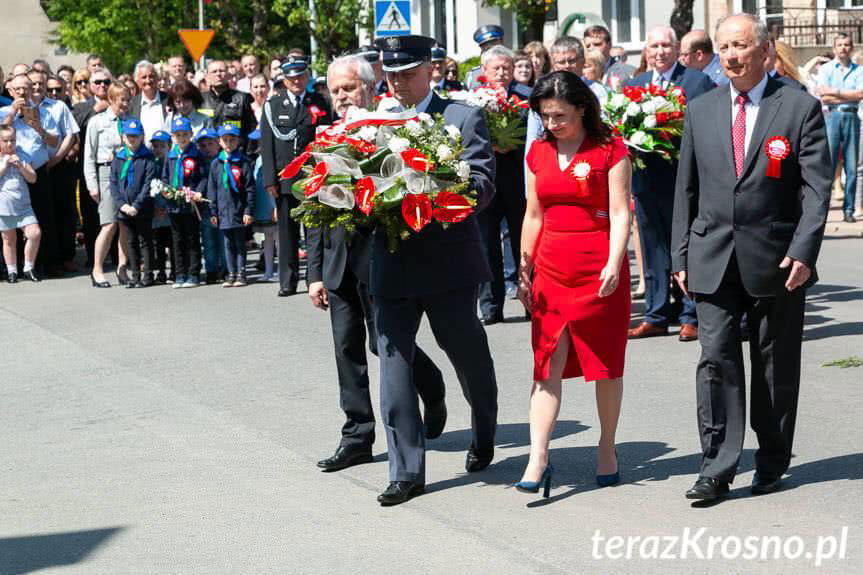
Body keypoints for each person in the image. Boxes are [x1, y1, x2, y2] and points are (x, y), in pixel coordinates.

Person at [672, 13, 831, 501]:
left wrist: (804, 251)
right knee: (715, 359)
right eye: (724, 48)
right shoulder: (701, 109)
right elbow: (686, 188)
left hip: (777, 259)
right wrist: (680, 254)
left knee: (773, 364)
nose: (731, 56)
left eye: (740, 46)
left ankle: (772, 459)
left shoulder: (798, 107)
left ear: (764, 51)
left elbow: (817, 189)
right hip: (712, 254)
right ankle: (716, 468)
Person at [371, 34, 498, 506]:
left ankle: (484, 428)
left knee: (468, 356)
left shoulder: (462, 116)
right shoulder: (372, 123)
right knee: (394, 367)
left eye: (408, 73)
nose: (398, 82)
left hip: (448, 262)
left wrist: (437, 190)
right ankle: (405, 470)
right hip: (392, 262)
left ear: (432, 70)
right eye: (391, 74)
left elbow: (482, 182)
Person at [306, 54, 447, 473]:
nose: (342, 96)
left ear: (370, 86)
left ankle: (431, 386)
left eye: (349, 87)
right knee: (346, 349)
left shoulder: (391, 129)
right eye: (335, 90)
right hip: (338, 263)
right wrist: (314, 274)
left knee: (383, 345)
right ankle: (357, 436)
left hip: (382, 259)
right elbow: (314, 208)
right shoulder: (324, 135)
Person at [514, 71, 632, 498]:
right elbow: (533, 214)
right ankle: (538, 456)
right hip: (550, 269)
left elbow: (620, 211)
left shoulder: (610, 149)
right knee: (546, 364)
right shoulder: (538, 152)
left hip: (598, 270)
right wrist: (524, 267)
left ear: (582, 109)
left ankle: (607, 446)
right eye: (545, 116)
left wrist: (615, 261)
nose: (551, 124)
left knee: (605, 364)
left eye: (559, 116)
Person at [624, 26, 715, 342]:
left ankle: (691, 315)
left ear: (677, 49)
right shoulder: (633, 85)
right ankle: (656, 315)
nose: (660, 51)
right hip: (647, 180)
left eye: (666, 45)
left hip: (684, 180)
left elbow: (706, 128)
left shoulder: (696, 81)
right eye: (654, 46)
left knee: (686, 246)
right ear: (646, 51)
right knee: (653, 249)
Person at [476, 45, 532, 325]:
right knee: (486, 245)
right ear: (483, 70)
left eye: (506, 68)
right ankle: (491, 306)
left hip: (518, 180)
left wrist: (510, 143)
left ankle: (531, 301)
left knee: (524, 244)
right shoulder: (474, 99)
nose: (501, 73)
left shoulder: (527, 97)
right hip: (487, 181)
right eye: (495, 68)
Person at [259, 56, 316, 297]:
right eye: (292, 78)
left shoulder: (318, 101)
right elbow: (266, 144)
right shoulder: (273, 106)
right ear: (284, 80)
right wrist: (270, 180)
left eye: (301, 76)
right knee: (287, 232)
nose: (297, 81)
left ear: (307, 77)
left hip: (313, 177)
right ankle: (288, 281)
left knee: (314, 232)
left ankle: (314, 278)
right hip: (285, 179)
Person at [0, 73, 60, 277]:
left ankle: (42, 266)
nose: (22, 92)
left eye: (26, 88)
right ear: (10, 91)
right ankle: (11, 269)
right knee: (9, 228)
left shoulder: (43, 113)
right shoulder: (3, 113)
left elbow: (54, 142)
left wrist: (38, 127)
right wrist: (13, 113)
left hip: (37, 171)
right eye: (18, 89)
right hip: (8, 173)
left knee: (41, 221)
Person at [30, 69, 80, 277]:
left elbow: (70, 135)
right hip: (32, 169)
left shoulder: (58, 106)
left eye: (40, 84)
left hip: (57, 166)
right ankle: (38, 261)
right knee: (40, 216)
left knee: (62, 213)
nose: (37, 87)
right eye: (33, 84)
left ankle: (62, 258)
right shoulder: (22, 108)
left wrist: (56, 159)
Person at [816, 33, 863, 223]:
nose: (843, 47)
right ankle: (822, 210)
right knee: (828, 165)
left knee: (852, 166)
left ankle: (849, 209)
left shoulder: (859, 70)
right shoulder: (826, 69)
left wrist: (834, 92)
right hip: (832, 117)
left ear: (851, 47)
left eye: (847, 44)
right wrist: (846, 95)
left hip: (852, 117)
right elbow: (823, 96)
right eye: (840, 44)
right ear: (834, 48)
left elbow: (860, 94)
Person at [110, 119, 156, 288]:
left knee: (145, 241)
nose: (132, 139)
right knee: (130, 242)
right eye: (129, 136)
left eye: (135, 136)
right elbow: (113, 183)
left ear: (142, 137)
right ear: (123, 137)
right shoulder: (119, 158)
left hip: (142, 208)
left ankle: (148, 275)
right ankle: (135, 276)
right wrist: (122, 205)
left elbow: (148, 184)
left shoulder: (147, 158)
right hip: (124, 209)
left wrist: (136, 205)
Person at [208, 123, 255, 287]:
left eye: (232, 140)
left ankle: (241, 273)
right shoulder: (216, 164)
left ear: (238, 141)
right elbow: (212, 189)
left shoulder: (243, 162)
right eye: (225, 140)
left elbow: (250, 189)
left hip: (239, 210)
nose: (228, 143)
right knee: (227, 243)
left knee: (240, 243)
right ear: (219, 142)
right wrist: (213, 212)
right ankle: (231, 273)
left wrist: (248, 210)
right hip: (222, 211)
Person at [163, 116, 207, 289]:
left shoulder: (196, 155)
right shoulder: (170, 155)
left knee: (192, 238)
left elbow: (203, 177)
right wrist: (165, 191)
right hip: (174, 205)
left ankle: (193, 273)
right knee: (177, 240)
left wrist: (198, 191)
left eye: (185, 135)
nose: (182, 138)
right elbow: (165, 177)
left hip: (190, 204)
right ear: (173, 136)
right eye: (178, 135)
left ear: (191, 134)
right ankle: (180, 274)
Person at [0, 124, 41, 283]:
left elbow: (33, 178)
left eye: (12, 140)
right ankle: (12, 271)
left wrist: (21, 166)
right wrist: (4, 166)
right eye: (5, 141)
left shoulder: (22, 155)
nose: (9, 144)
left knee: (34, 233)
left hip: (23, 205)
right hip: (4, 206)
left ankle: (28, 267)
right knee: (9, 239)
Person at [195, 127, 224, 283]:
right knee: (208, 241)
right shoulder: (198, 163)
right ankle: (211, 270)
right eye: (203, 145)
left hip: (223, 207)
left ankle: (226, 269)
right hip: (206, 208)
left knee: (223, 240)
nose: (206, 148)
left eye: (210, 144)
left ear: (218, 143)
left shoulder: (223, 160)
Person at [199, 60, 256, 141]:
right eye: (214, 72)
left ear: (228, 75)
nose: (218, 74)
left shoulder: (242, 98)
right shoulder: (200, 99)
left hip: (234, 147)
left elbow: (250, 129)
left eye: (221, 71)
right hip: (207, 147)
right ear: (207, 76)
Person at [249, 128, 276, 282]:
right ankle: (269, 271)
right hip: (262, 207)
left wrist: (275, 206)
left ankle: (281, 271)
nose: (258, 144)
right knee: (267, 240)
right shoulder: (259, 159)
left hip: (272, 206)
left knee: (278, 239)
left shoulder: (271, 159)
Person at [149, 129, 172, 283]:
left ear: (169, 146)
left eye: (162, 146)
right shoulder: (152, 164)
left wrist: (168, 206)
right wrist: (155, 208)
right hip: (156, 209)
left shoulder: (172, 163)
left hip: (170, 208)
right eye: (155, 146)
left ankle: (175, 271)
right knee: (159, 242)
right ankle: (161, 271)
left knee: (172, 242)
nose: (158, 149)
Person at [583, 25, 636, 90]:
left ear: (609, 45)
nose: (591, 49)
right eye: (588, 46)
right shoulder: (580, 74)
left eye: (597, 44)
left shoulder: (628, 72)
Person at [128, 61, 170, 143]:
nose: (148, 80)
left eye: (151, 76)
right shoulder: (132, 104)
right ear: (137, 81)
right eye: (144, 77)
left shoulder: (168, 99)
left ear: (157, 78)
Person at [466, 25, 505, 89]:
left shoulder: (514, 69)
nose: (490, 47)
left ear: (501, 42)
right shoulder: (473, 74)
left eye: (493, 43)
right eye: (485, 45)